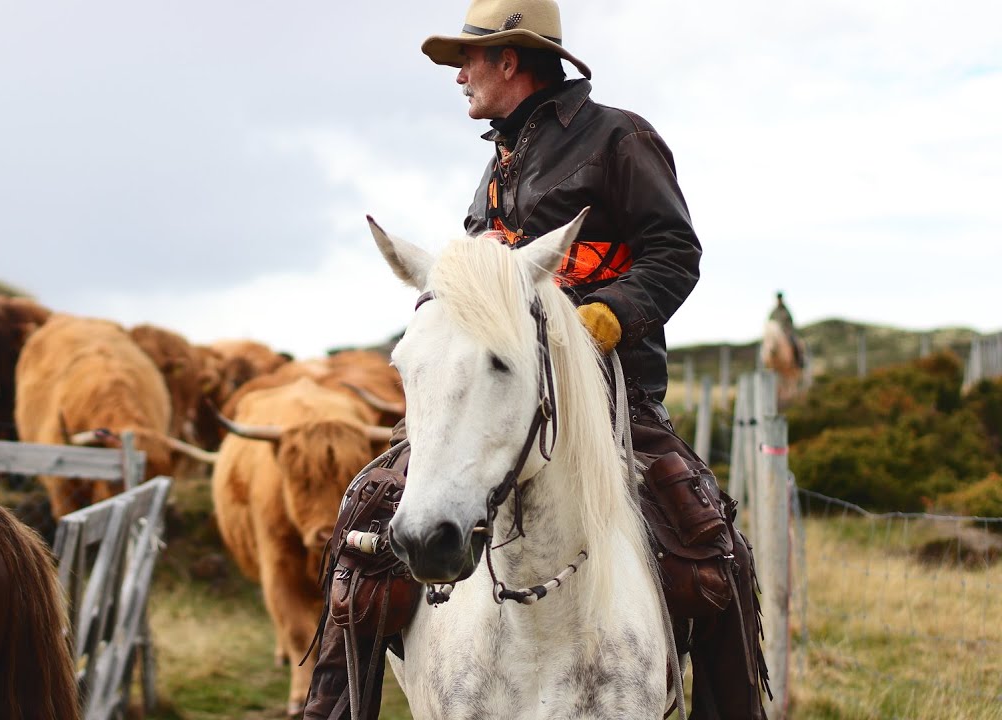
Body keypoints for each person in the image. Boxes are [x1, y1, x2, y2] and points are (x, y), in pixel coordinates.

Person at [304, 1, 767, 717]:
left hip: (613, 397)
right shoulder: (495, 167)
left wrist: (602, 322)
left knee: (715, 549)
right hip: (494, 392)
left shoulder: (620, 138)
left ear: (510, 59)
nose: (459, 75)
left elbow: (676, 254)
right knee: (363, 525)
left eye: (468, 58)